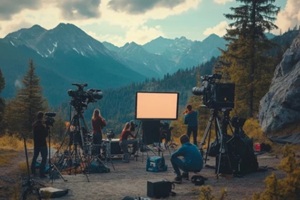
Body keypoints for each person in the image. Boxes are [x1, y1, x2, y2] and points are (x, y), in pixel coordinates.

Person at [31, 111, 48, 178]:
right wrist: (46, 127)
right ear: (42, 117)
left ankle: (33, 171)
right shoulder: (41, 126)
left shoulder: (34, 125)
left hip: (36, 144)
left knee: (35, 157)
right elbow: (45, 134)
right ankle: (41, 173)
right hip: (42, 144)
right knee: (44, 158)